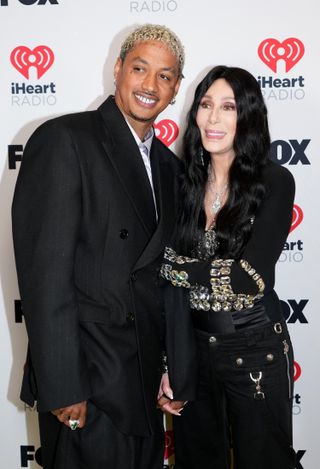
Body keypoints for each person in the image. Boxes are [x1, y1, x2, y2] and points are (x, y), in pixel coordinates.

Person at [12, 23, 184, 469]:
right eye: (140, 69)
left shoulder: (169, 167)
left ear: (176, 88)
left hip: (143, 388)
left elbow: (160, 281)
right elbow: (45, 276)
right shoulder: (65, 139)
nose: (150, 85)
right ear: (118, 70)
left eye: (165, 76)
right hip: (86, 385)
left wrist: (171, 367)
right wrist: (64, 385)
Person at [157, 65, 296, 468]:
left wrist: (174, 267)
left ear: (248, 116)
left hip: (256, 348)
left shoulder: (273, 181)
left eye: (228, 107)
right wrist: (172, 364)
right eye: (205, 104)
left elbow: (250, 279)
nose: (213, 118)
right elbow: (169, 289)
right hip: (194, 351)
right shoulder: (182, 183)